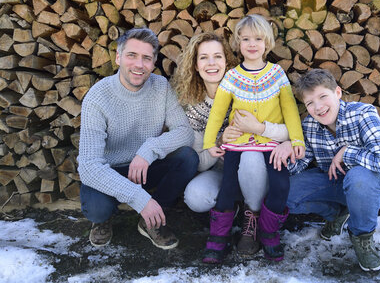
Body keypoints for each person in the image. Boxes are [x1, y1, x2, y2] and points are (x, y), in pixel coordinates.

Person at [171, 32, 291, 256]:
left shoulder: (250, 89)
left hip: (256, 170)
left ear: (227, 61)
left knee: (250, 155)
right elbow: (198, 162)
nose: (211, 63)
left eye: (217, 56)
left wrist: (260, 129)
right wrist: (219, 142)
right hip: (220, 173)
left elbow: (288, 127)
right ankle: (233, 208)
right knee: (195, 197)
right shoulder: (193, 106)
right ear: (195, 65)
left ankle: (252, 220)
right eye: (204, 58)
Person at [77, 27, 198, 250]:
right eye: (132, 55)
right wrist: (140, 199)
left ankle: (150, 220)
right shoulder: (97, 97)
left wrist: (148, 150)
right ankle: (104, 221)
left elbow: (184, 131)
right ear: (118, 57)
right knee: (97, 209)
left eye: (146, 58)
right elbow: (88, 166)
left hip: (145, 167)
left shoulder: (160, 87)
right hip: (109, 171)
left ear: (153, 63)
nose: (139, 65)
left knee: (188, 158)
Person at [202, 15, 305, 263]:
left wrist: (297, 140)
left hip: (272, 145)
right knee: (227, 187)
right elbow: (218, 112)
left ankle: (268, 232)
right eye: (246, 39)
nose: (252, 44)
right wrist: (209, 142)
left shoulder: (277, 74)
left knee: (280, 185)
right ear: (238, 43)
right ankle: (219, 237)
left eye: (258, 39)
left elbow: (290, 109)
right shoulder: (232, 77)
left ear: (267, 42)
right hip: (238, 144)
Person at [286, 68, 380, 272]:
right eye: (310, 103)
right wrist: (287, 147)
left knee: (359, 178)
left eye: (323, 97)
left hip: (372, 187)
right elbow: (300, 165)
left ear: (337, 93)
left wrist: (347, 152)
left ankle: (361, 236)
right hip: (335, 184)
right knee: (284, 193)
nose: (318, 107)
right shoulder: (310, 125)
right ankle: (337, 214)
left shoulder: (363, 114)